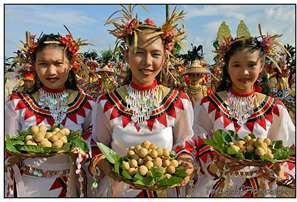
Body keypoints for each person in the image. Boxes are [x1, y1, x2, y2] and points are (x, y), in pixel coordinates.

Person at [89, 7, 195, 197]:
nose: (147, 61)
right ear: (126, 55)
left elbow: (184, 144)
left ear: (164, 57)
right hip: (118, 192)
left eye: (155, 54)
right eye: (139, 52)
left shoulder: (179, 102)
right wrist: (109, 168)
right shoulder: (107, 102)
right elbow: (97, 145)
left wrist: (186, 163)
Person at [191, 35, 295, 197]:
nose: (244, 72)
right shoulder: (209, 105)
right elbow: (196, 143)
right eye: (237, 65)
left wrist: (278, 167)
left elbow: (289, 147)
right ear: (227, 67)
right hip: (217, 189)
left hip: (260, 190)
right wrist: (214, 166)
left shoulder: (274, 108)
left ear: (261, 67)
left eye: (251, 65)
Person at [5, 31, 95, 197]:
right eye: (43, 64)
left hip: (72, 188)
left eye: (58, 63)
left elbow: (96, 141)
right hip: (29, 187)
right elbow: (6, 146)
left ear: (71, 64)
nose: (51, 71)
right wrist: (12, 156)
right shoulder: (17, 103)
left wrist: (83, 150)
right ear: (34, 65)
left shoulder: (88, 104)